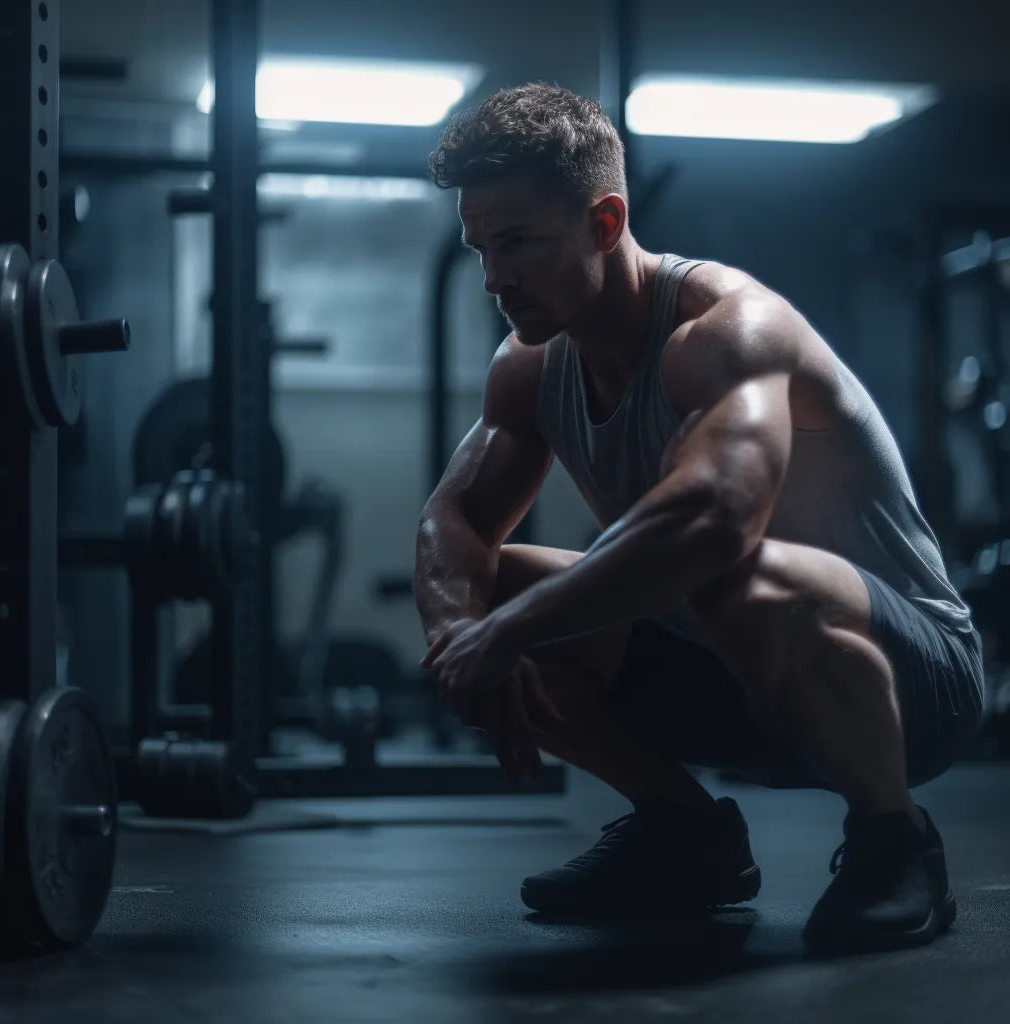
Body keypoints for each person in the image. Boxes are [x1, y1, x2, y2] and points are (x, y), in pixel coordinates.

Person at [413, 82, 985, 954]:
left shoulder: (728, 330)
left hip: (918, 687)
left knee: (734, 574)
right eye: (481, 247)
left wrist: (506, 633)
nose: (496, 278)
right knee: (487, 590)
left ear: (605, 225)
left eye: (519, 243)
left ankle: (894, 839)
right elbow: (452, 518)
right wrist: (463, 639)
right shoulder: (530, 369)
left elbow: (716, 518)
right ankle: (686, 834)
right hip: (732, 670)